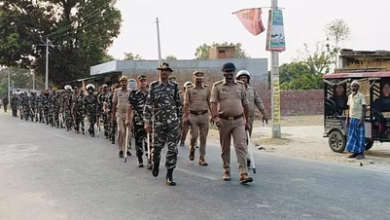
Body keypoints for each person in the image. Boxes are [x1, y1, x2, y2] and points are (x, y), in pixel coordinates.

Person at [210, 62, 253, 184]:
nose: (229, 75)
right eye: (226, 73)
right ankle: (226, 170)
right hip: (223, 121)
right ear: (223, 73)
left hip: (239, 121)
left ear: (234, 73)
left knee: (241, 145)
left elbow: (245, 104)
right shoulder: (217, 86)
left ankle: (243, 173)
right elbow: (212, 102)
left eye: (231, 73)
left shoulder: (240, 85)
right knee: (225, 147)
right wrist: (215, 117)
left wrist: (246, 120)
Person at [144, 62, 182, 186]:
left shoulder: (174, 86)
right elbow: (148, 104)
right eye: (162, 70)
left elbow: (178, 104)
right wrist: (147, 121)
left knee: (172, 149)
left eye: (166, 70)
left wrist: (181, 120)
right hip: (159, 122)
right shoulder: (153, 86)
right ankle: (156, 164)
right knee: (156, 148)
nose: (164, 72)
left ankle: (169, 175)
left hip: (172, 123)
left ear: (169, 72)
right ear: (159, 72)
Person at [236, 70, 268, 167]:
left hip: (249, 118)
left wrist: (264, 113)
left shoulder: (252, 90)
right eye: (241, 78)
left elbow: (258, 102)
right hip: (238, 118)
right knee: (241, 139)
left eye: (245, 78)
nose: (243, 79)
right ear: (238, 80)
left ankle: (244, 155)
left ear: (248, 79)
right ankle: (245, 157)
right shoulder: (235, 90)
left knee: (247, 138)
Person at [184, 72, 211, 166]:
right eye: (197, 79)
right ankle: (192, 148)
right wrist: (186, 116)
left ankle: (202, 157)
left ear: (202, 79)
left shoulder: (207, 89)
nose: (199, 80)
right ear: (194, 78)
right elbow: (186, 103)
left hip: (204, 115)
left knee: (203, 137)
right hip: (193, 116)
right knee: (194, 136)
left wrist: (214, 115)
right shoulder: (189, 89)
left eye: (200, 79)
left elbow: (210, 102)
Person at [126, 75, 149, 167]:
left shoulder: (150, 94)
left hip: (148, 121)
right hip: (138, 120)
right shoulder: (134, 93)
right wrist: (128, 118)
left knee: (149, 140)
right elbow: (129, 106)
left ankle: (149, 159)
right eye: (141, 81)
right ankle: (140, 159)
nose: (143, 82)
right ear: (138, 83)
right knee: (139, 140)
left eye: (144, 81)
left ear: (146, 82)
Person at [345, 80, 367, 159]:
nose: (353, 88)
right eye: (352, 86)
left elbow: (364, 108)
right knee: (352, 136)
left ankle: (361, 153)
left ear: (358, 87)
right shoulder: (350, 96)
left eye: (355, 86)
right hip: (352, 119)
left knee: (359, 137)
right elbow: (349, 108)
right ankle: (355, 153)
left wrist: (362, 120)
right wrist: (347, 119)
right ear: (350, 87)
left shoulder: (361, 96)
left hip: (358, 119)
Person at [112, 76, 132, 158]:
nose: (124, 83)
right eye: (122, 82)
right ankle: (120, 149)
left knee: (128, 133)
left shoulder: (130, 91)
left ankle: (126, 148)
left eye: (125, 82)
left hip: (129, 114)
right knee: (121, 131)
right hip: (119, 113)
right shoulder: (117, 91)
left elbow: (132, 104)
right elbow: (114, 103)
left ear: (127, 83)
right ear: (120, 83)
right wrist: (112, 116)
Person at [179, 81, 194, 147]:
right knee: (180, 129)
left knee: (189, 128)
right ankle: (179, 139)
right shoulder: (180, 95)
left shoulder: (194, 96)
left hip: (190, 114)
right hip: (182, 114)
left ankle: (185, 140)